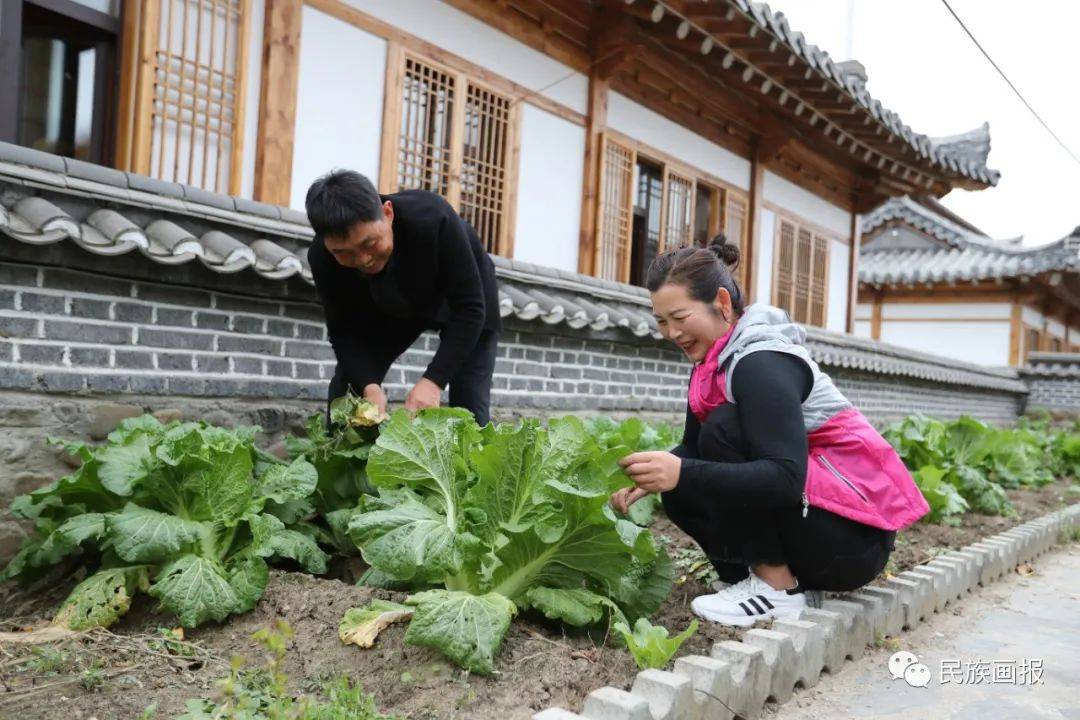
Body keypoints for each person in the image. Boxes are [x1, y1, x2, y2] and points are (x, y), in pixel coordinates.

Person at [611, 235, 929, 627]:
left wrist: (682, 471)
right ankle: (751, 584)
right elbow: (691, 450)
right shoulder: (711, 366)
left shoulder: (760, 362)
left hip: (854, 541)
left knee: (722, 433)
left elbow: (784, 477)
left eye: (680, 317)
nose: (672, 332)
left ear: (722, 304)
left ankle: (778, 590)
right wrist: (655, 476)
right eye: (661, 321)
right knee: (682, 487)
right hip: (814, 526)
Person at [305, 170, 501, 425]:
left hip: (465, 303)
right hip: (393, 303)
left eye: (369, 243)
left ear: (388, 213)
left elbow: (471, 310)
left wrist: (433, 382)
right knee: (350, 389)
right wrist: (370, 387)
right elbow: (343, 333)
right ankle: (340, 460)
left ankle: (474, 461)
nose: (363, 260)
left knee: (469, 403)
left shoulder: (434, 217)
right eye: (344, 253)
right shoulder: (323, 257)